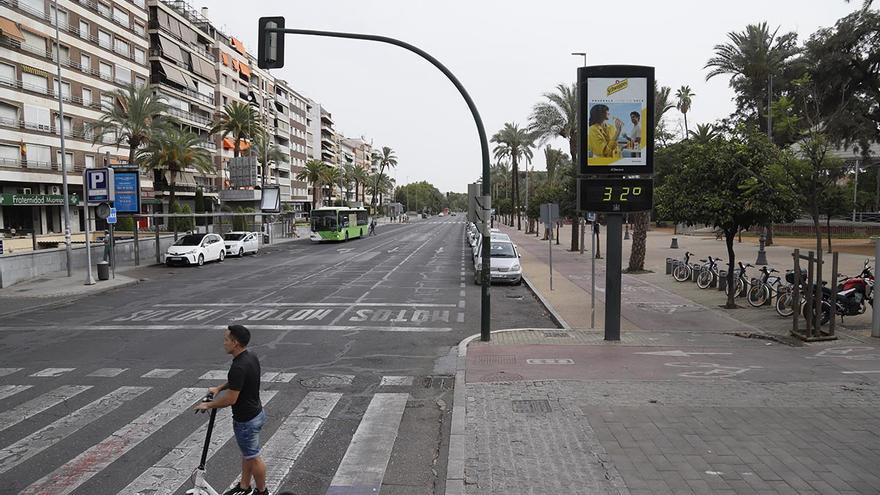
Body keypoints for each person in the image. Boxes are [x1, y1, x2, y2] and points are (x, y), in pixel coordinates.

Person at [195, 325, 269, 495]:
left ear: (235, 343)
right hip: (256, 413)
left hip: (246, 420)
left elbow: (231, 399)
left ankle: (262, 491)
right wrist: (219, 388)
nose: (224, 343)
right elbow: (237, 382)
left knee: (254, 457)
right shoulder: (250, 356)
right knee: (248, 454)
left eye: (226, 339)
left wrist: (208, 405)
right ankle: (244, 487)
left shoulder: (238, 366)